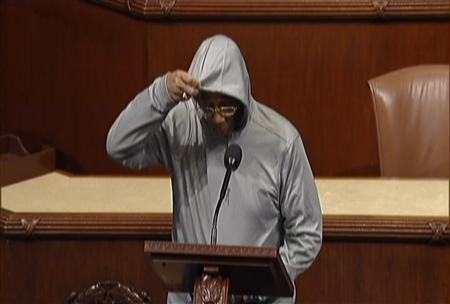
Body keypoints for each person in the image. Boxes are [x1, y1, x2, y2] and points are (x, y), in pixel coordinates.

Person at [106, 34, 322, 304]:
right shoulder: (183, 124)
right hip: (190, 298)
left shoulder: (281, 141)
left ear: (243, 97)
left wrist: (261, 285)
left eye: (227, 106)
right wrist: (161, 94)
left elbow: (307, 233)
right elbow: (118, 146)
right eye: (207, 105)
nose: (217, 116)